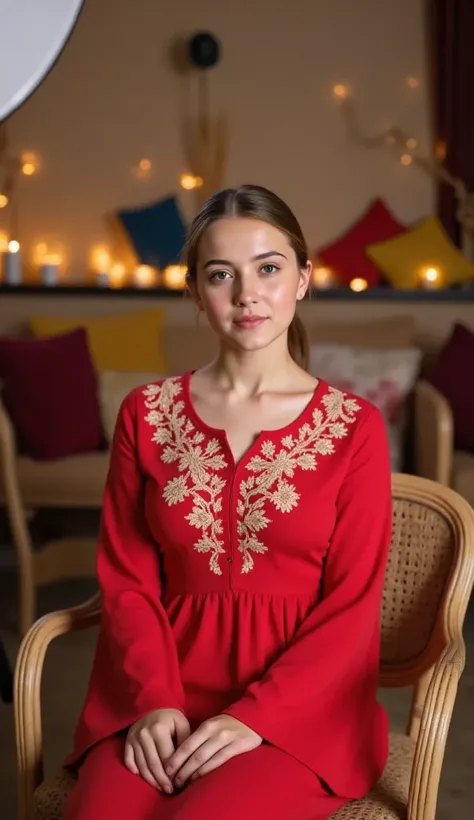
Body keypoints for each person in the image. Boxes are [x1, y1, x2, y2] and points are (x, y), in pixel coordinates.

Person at [63, 184, 392, 820]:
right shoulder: (146, 415)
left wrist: (257, 718)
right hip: (159, 695)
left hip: (302, 710)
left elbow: (353, 603)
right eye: (222, 275)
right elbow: (127, 580)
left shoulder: (356, 427)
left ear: (302, 279)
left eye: (269, 268)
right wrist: (153, 700)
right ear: (194, 291)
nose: (248, 294)